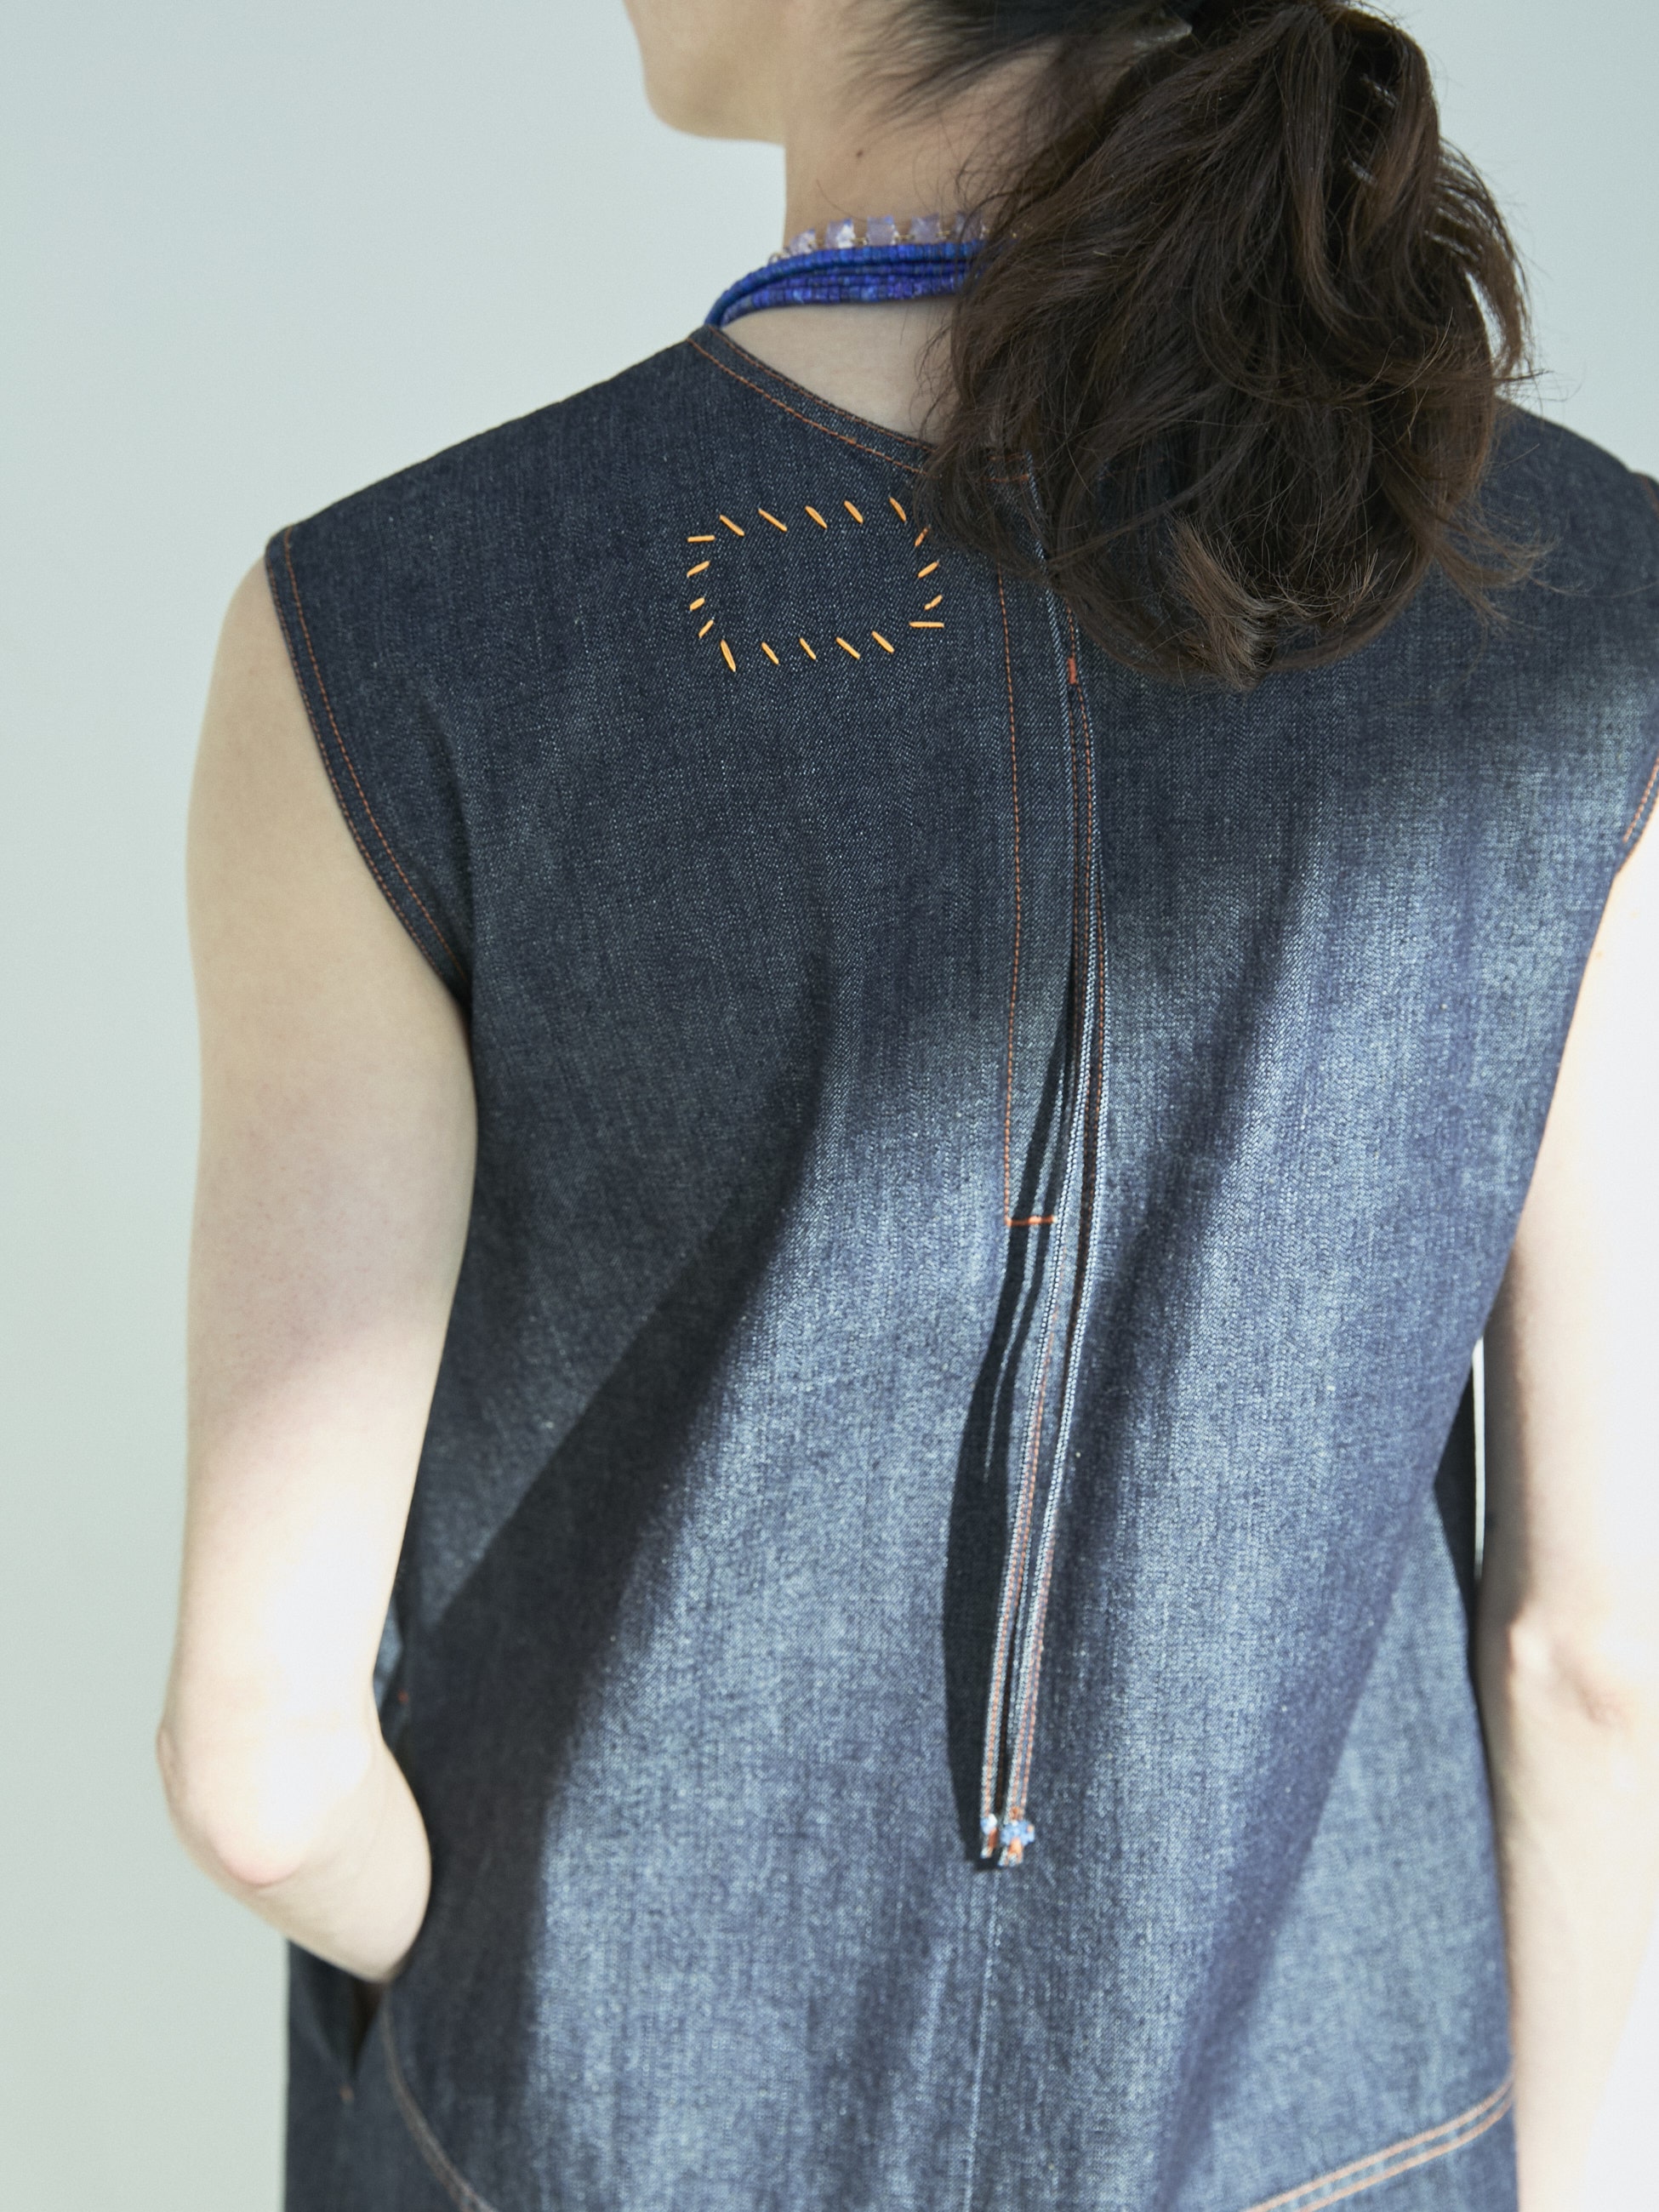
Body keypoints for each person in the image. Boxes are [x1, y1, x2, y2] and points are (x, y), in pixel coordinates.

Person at [157, 2, 1659, 2207]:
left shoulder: (390, 633)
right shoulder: (1594, 606)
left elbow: (263, 1775)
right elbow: (1598, 1660)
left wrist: (570, 2023)